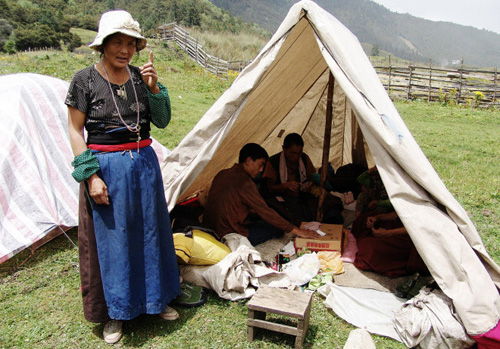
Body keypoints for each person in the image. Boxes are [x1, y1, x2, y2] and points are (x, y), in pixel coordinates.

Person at [66, 10, 180, 344]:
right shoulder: (84, 80)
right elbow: (75, 131)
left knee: (149, 234)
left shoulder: (139, 77)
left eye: (130, 43)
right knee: (113, 242)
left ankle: (155, 301)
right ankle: (114, 312)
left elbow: (162, 121)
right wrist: (90, 177)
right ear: (103, 45)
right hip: (107, 169)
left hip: (144, 165)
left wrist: (154, 87)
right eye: (118, 42)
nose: (125, 50)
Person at [203, 143, 319, 246]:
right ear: (248, 161)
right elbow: (265, 212)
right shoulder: (245, 183)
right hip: (229, 235)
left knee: (265, 218)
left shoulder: (222, 173)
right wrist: (297, 231)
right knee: (276, 228)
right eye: (260, 164)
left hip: (210, 230)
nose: (261, 170)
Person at [262, 133, 342, 225]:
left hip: (301, 196)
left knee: (329, 203)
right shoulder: (273, 162)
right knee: (294, 213)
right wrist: (285, 186)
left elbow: (311, 178)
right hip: (282, 199)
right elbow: (270, 189)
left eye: (298, 153)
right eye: (292, 153)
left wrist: (308, 185)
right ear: (284, 148)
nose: (296, 157)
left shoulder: (303, 158)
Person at [353, 211, 428, 277]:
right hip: (400, 224)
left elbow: (418, 228)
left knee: (368, 247)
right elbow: (399, 213)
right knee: (362, 221)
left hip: (414, 237)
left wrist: (388, 233)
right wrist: (378, 217)